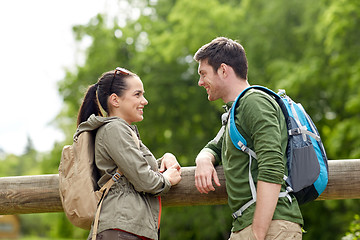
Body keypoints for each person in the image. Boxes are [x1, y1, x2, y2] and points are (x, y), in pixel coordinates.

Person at [193, 37, 303, 240]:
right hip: (250, 226)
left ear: (223, 70)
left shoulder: (254, 102)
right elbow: (214, 147)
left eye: (203, 74)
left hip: (270, 227)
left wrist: (257, 233)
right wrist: (203, 159)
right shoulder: (236, 111)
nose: (200, 82)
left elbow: (272, 164)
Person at [76, 67, 182, 240]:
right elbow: (144, 179)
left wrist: (166, 158)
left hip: (127, 228)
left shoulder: (122, 130)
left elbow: (133, 169)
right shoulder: (114, 129)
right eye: (137, 94)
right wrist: (167, 179)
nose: (145, 101)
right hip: (122, 230)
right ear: (115, 100)